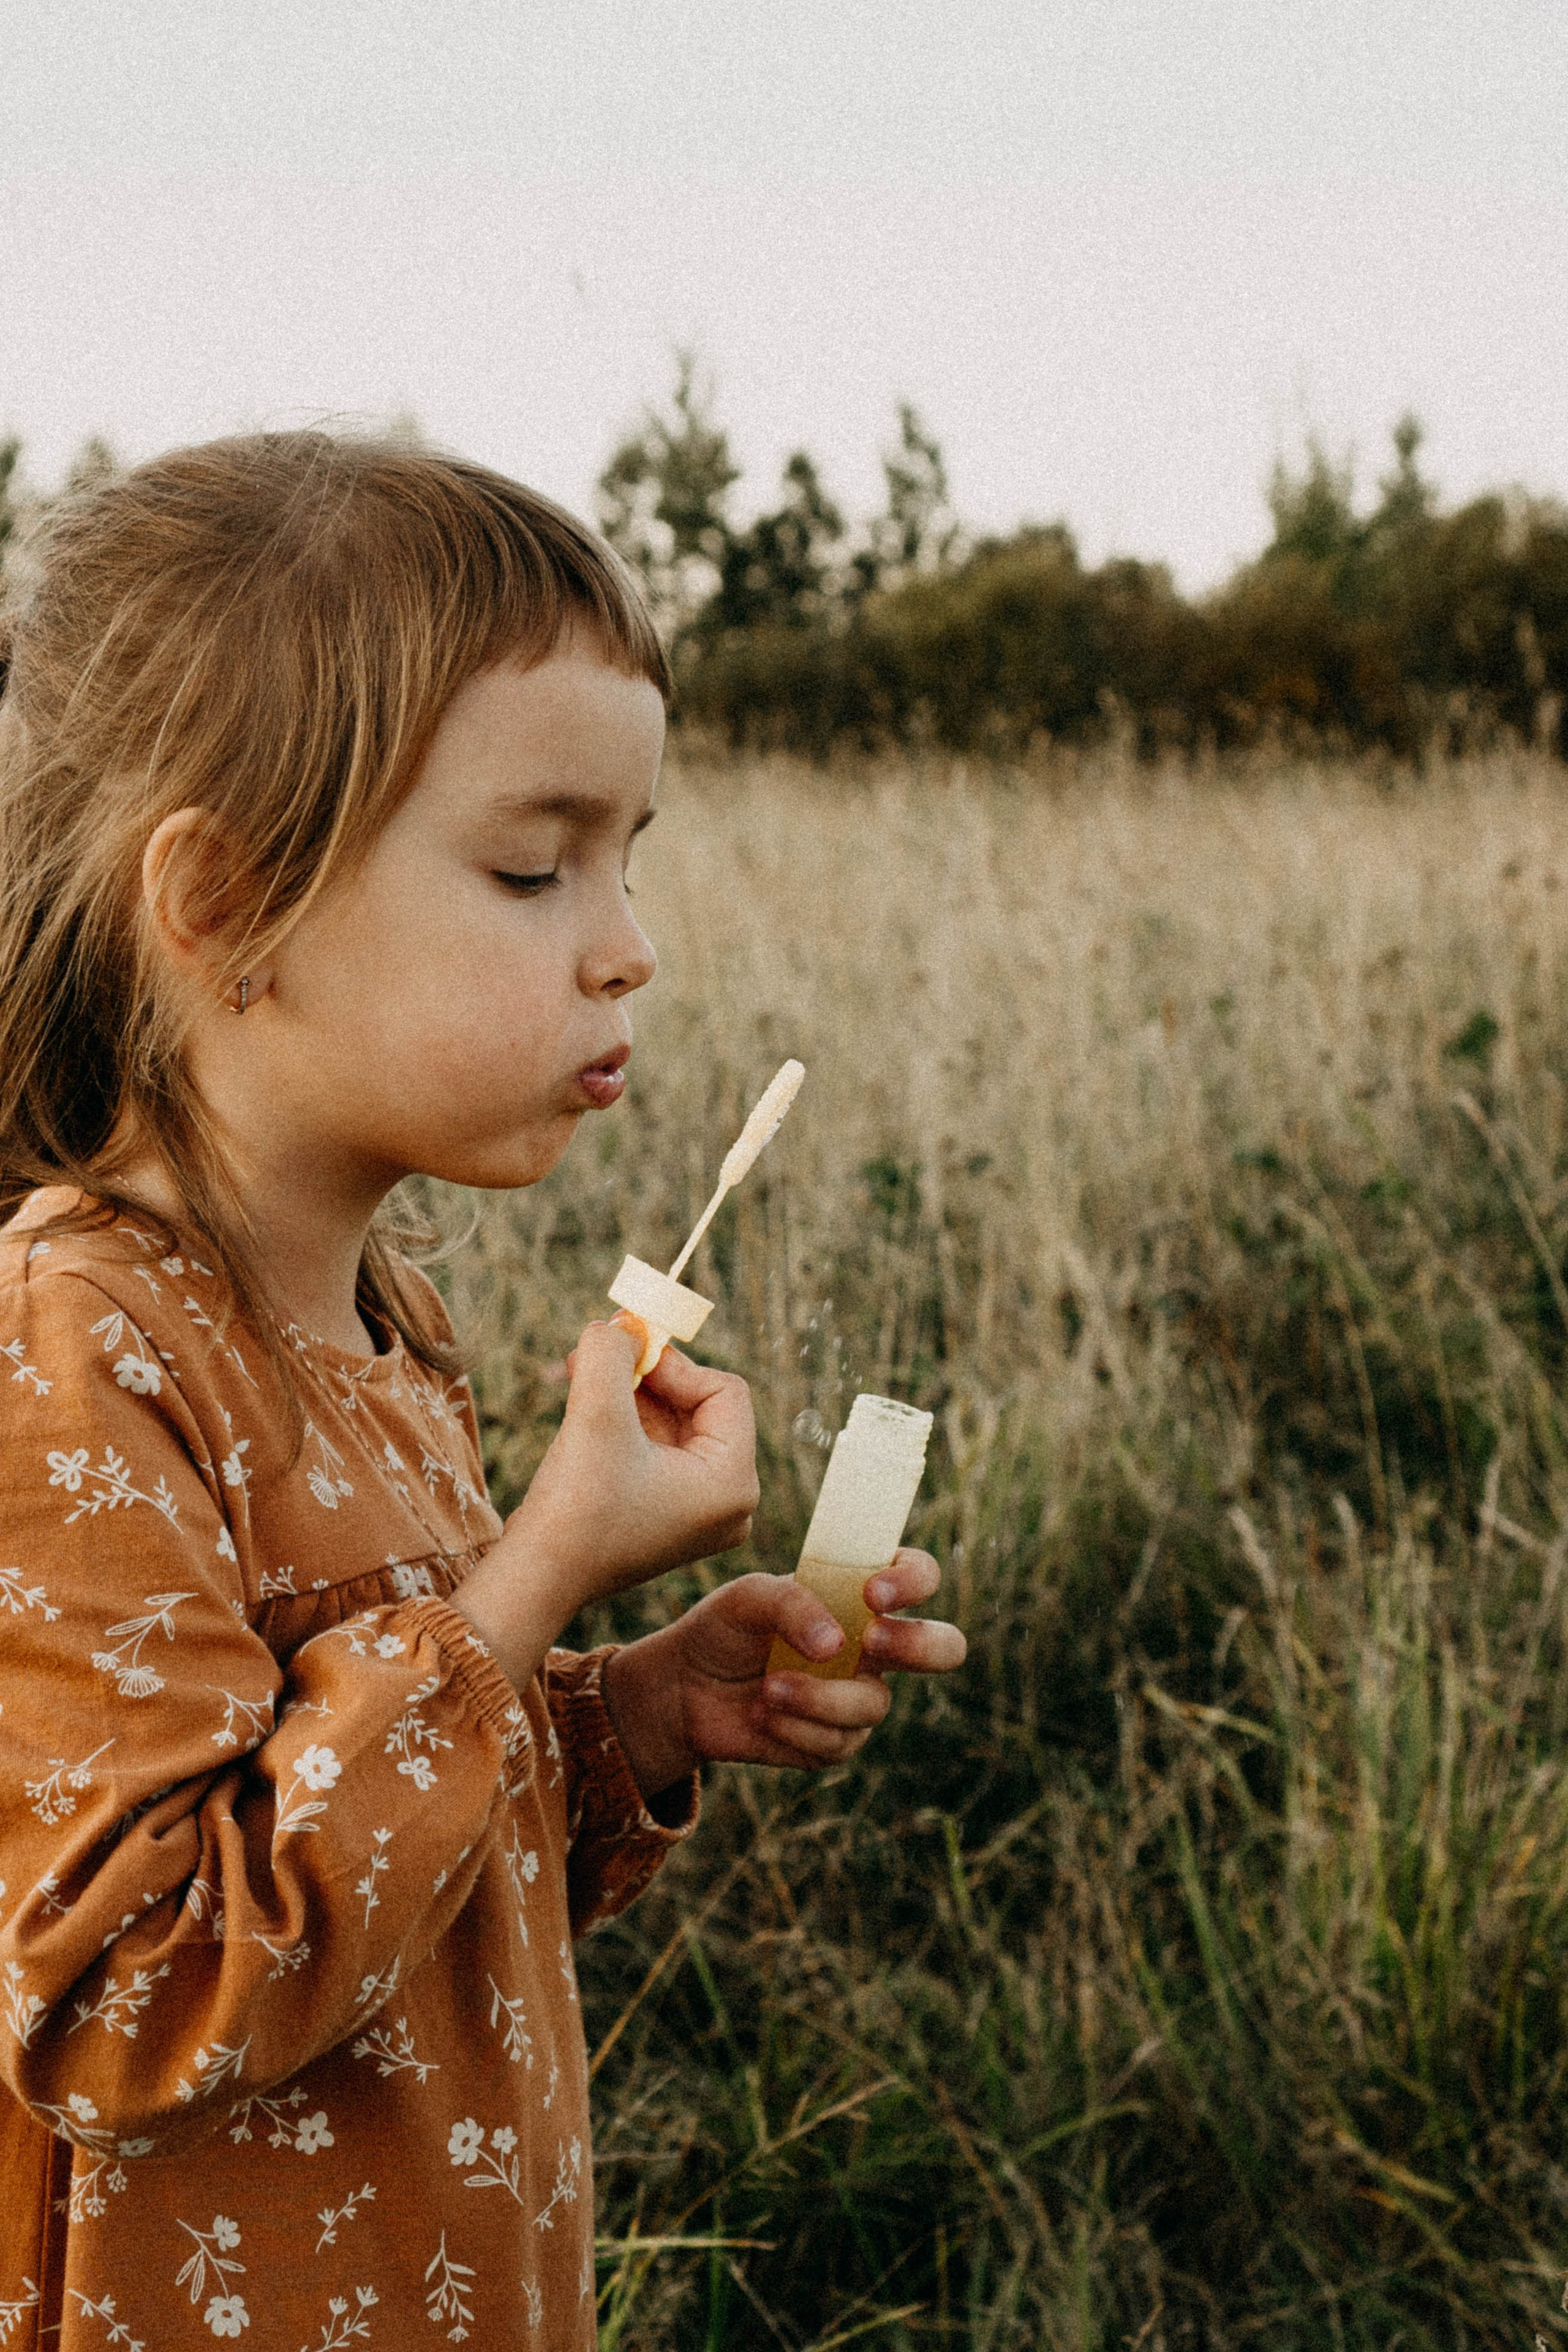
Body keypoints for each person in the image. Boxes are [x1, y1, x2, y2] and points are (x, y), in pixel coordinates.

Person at [0, 431, 965, 2349]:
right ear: (224, 902)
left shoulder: (382, 1327)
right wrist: (524, 1583)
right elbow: (143, 1993)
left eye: (626, 860)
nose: (631, 949)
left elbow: (394, 1890)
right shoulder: (69, 1360)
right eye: (533, 866)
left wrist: (633, 1713)